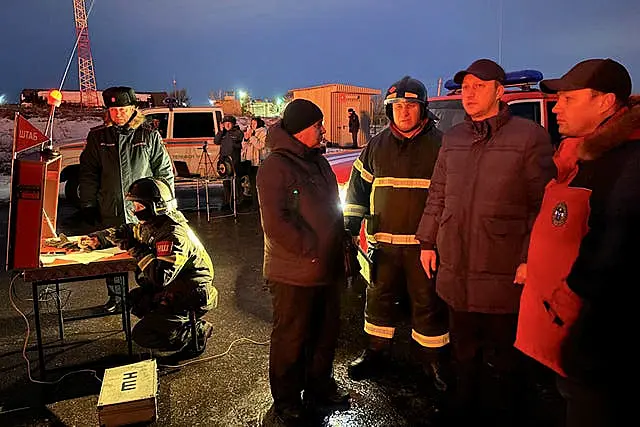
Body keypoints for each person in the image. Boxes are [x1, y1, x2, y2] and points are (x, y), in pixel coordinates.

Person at [415, 59, 555, 425]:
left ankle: (502, 413)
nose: (469, 94)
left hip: (503, 268)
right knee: (462, 352)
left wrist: (530, 259)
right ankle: (463, 407)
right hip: (456, 265)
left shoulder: (529, 138)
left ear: (499, 90)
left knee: (503, 358)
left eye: (479, 86)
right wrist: (427, 241)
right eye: (465, 87)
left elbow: (542, 205)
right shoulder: (454, 138)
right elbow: (438, 192)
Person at [522, 58, 637, 427]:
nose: (556, 107)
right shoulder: (590, 155)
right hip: (575, 330)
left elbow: (609, 254)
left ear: (605, 102)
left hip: (599, 342)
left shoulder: (627, 165)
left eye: (568, 99)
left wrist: (569, 301)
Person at [343, 76, 451, 393]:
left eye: (411, 106)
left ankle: (432, 363)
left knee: (428, 305)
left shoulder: (441, 147)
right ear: (390, 110)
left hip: (424, 249)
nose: (404, 112)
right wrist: (349, 228)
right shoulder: (376, 146)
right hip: (383, 246)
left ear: (423, 110)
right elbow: (357, 191)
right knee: (378, 301)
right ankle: (376, 353)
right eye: (398, 106)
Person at [257, 99, 350, 425]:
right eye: (317, 125)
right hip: (294, 271)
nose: (323, 130)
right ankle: (286, 400)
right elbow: (276, 223)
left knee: (326, 332)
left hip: (324, 267)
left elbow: (331, 208)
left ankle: (319, 386)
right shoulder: (276, 167)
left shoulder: (319, 162)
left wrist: (341, 239)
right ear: (299, 131)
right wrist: (311, 247)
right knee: (291, 337)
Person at [78, 177, 218, 358]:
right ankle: (172, 322)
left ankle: (194, 333)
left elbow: (161, 277)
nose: (135, 211)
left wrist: (136, 249)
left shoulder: (173, 235)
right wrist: (98, 239)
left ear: (155, 206)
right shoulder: (155, 224)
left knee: (142, 335)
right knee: (135, 300)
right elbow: (128, 230)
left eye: (138, 206)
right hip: (177, 286)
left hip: (191, 293)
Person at [79, 86, 174, 313]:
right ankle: (116, 298)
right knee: (112, 256)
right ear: (108, 111)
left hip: (143, 212)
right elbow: (88, 173)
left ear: (133, 109)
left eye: (123, 108)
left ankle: (151, 296)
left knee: (147, 256)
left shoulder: (148, 135)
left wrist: (165, 206)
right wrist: (88, 204)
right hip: (110, 208)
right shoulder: (98, 137)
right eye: (113, 109)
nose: (118, 113)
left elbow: (163, 173)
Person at [214, 115, 244, 211]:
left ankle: (238, 202)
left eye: (229, 123)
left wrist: (232, 140)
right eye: (225, 123)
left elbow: (239, 143)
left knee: (236, 182)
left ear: (233, 124)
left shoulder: (238, 132)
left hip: (234, 161)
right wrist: (221, 131)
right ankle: (227, 202)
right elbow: (216, 141)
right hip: (224, 161)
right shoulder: (223, 133)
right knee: (226, 182)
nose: (227, 125)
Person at [242, 116, 268, 210]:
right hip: (250, 160)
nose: (252, 125)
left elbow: (261, 146)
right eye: (251, 123)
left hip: (258, 162)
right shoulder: (250, 132)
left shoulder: (263, 132)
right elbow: (244, 146)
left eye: (254, 123)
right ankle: (254, 203)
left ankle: (259, 204)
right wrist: (245, 139)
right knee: (251, 183)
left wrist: (252, 137)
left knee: (258, 184)